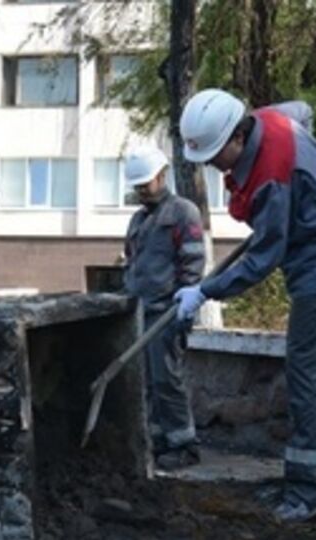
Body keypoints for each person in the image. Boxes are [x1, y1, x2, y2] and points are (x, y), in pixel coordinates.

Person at [172, 89, 316, 521]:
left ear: (238, 137)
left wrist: (207, 290)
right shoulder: (267, 119)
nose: (213, 165)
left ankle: (306, 491)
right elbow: (304, 112)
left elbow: (264, 257)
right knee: (315, 364)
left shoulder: (272, 178)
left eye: (217, 155)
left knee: (306, 371)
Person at [121, 146, 205, 470]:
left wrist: (184, 308)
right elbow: (132, 263)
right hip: (141, 312)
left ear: (162, 175)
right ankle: (158, 440)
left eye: (146, 183)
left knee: (167, 380)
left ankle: (184, 445)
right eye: (137, 185)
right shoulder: (139, 219)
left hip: (167, 313)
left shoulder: (183, 212)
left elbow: (193, 264)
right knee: (147, 383)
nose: (142, 190)